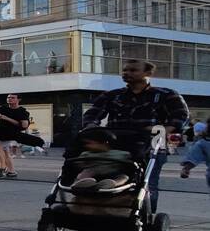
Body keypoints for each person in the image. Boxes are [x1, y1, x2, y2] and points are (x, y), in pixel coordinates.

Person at [82, 59, 189, 212]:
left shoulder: (166, 95)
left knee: (147, 183)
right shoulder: (112, 96)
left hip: (151, 146)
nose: (127, 73)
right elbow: (92, 114)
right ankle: (110, 211)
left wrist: (165, 129)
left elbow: (180, 116)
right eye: (125, 70)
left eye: (133, 70)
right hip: (116, 145)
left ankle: (145, 217)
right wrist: (92, 126)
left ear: (148, 73)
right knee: (110, 177)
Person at [65, 127, 133, 191]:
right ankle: (80, 183)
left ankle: (112, 183)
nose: (87, 146)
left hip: (113, 173)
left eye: (90, 143)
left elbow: (128, 164)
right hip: (93, 172)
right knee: (85, 172)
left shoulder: (122, 154)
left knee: (124, 177)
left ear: (105, 143)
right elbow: (79, 164)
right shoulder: (86, 154)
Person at [0, 94, 30, 179]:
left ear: (18, 100)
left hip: (11, 133)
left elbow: (24, 125)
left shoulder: (22, 111)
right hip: (0, 132)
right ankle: (11, 171)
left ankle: (1, 168)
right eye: (8, 97)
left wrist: (6, 118)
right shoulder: (3, 108)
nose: (9, 99)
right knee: (5, 151)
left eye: (12, 98)